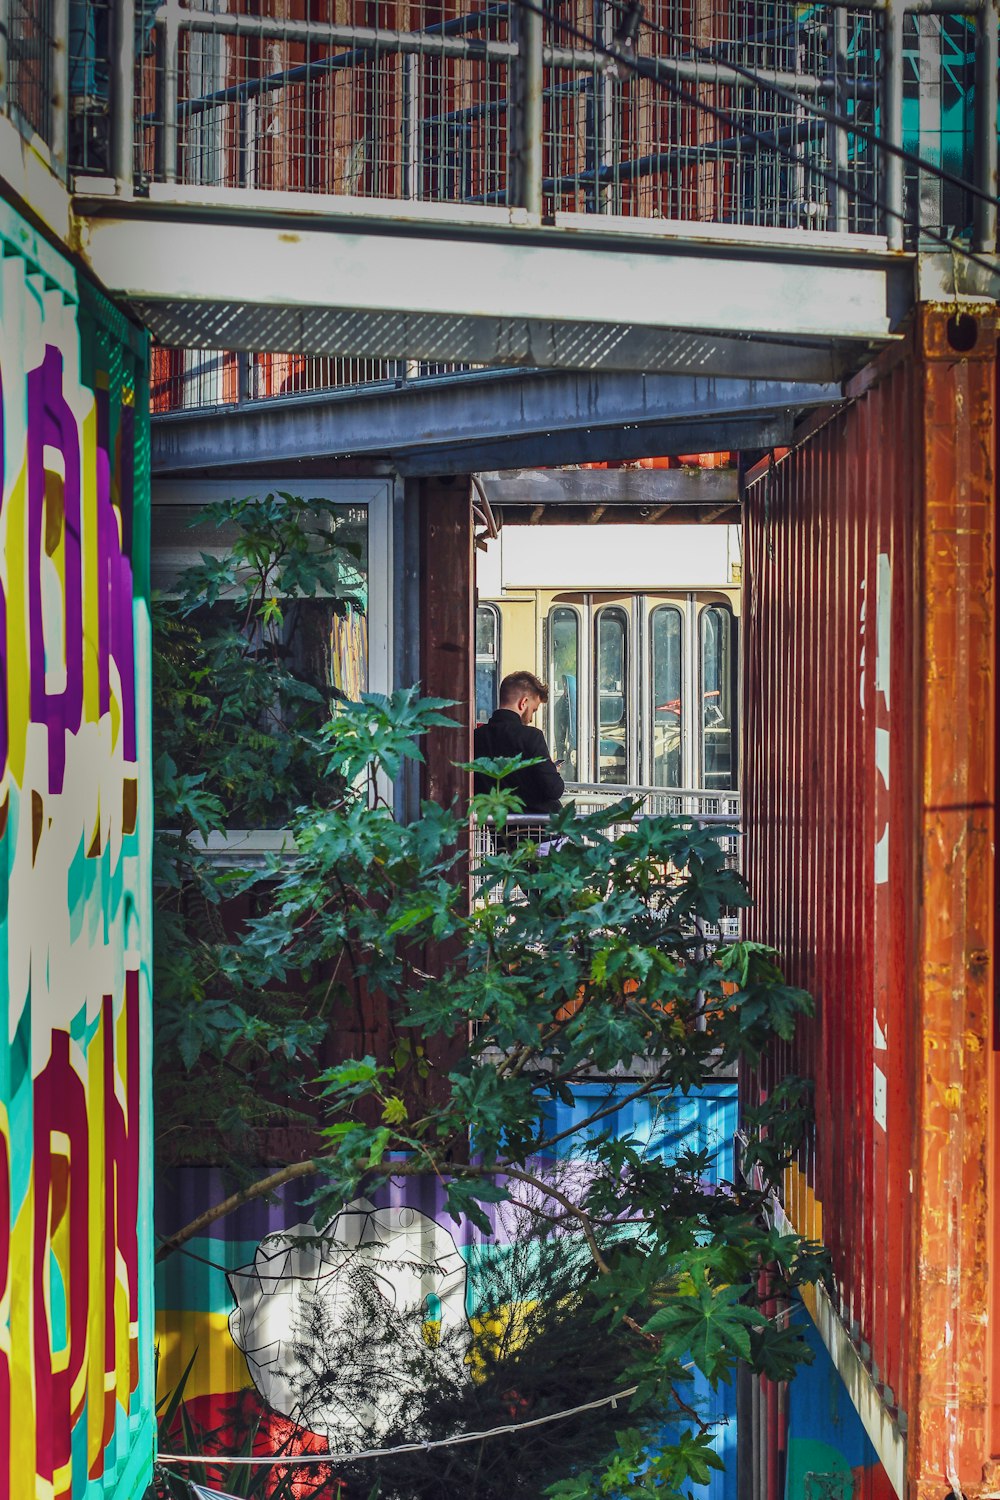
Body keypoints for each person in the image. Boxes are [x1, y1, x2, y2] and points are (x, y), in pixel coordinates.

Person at [473, 671, 565, 815]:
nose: (530, 719)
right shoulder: (532, 737)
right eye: (533, 711)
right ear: (523, 703)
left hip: (501, 833)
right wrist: (551, 770)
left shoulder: (476, 738)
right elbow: (554, 789)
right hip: (540, 830)